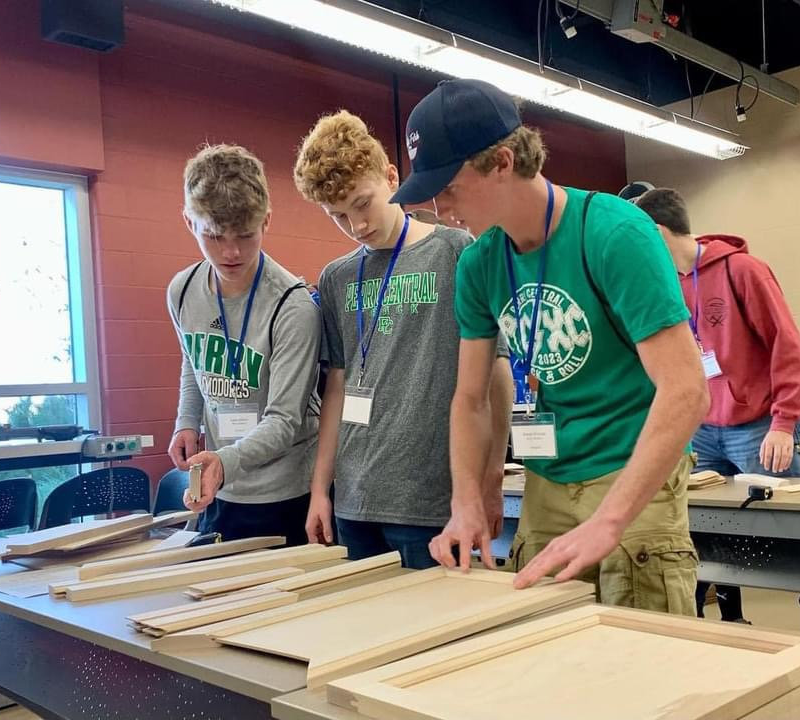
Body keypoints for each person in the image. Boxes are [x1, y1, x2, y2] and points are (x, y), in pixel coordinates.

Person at [391, 78, 709, 613]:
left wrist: (610, 521)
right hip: (548, 479)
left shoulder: (614, 234)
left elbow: (686, 390)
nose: (441, 209)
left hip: (633, 474)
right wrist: (467, 497)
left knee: (642, 657)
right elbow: (469, 399)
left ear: (501, 162)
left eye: (449, 187)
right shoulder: (479, 264)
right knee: (543, 648)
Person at [293, 110, 512, 569]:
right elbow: (337, 386)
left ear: (392, 177)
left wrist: (490, 481)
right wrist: (320, 489)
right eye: (337, 215)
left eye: (362, 203)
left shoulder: (457, 253)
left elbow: (496, 375)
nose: (356, 225)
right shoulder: (336, 278)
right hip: (354, 500)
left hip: (430, 501)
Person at [636, 187, 800, 633]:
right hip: (702, 427)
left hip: (759, 426)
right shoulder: (667, 284)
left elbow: (788, 346)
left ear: (657, 232)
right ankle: (721, 626)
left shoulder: (743, 270)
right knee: (702, 535)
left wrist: (783, 423)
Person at [167, 144, 321, 545]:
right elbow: (193, 360)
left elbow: (286, 420)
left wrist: (225, 461)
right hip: (222, 486)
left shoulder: (293, 305)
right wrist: (186, 420)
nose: (231, 251)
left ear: (266, 221)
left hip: (284, 493)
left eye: (245, 235)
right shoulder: (182, 291)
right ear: (189, 222)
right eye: (214, 236)